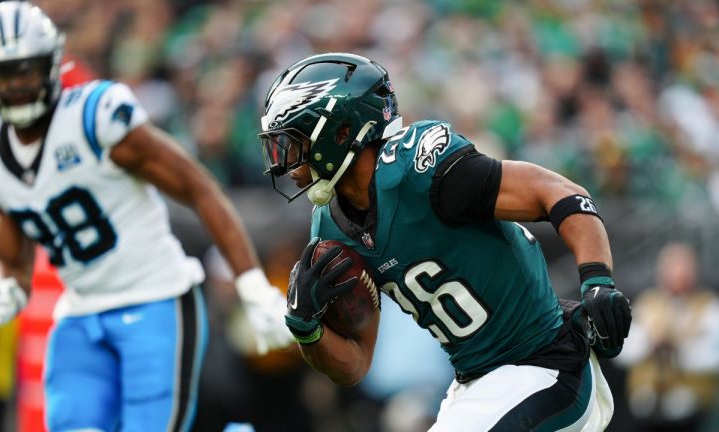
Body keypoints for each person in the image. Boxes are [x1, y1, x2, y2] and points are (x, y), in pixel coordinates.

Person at [0, 2, 292, 431]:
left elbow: (198, 187)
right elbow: (9, 223)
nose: (17, 84)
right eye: (4, 74)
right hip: (79, 309)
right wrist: (9, 279)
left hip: (155, 297)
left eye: (26, 69)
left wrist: (252, 284)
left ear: (51, 64)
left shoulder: (94, 117)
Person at [258, 52, 632, 431]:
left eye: (294, 143)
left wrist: (598, 280)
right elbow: (355, 364)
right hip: (475, 384)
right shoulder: (330, 229)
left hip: (545, 362)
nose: (284, 163)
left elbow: (561, 193)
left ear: (340, 132)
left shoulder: (421, 169)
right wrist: (307, 329)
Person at [615, 241, 719, 432]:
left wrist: (680, 350)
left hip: (690, 405)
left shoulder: (709, 306)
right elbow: (623, 351)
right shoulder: (647, 303)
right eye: (672, 267)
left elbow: (713, 357)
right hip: (646, 406)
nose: (678, 274)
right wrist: (651, 344)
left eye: (684, 267)